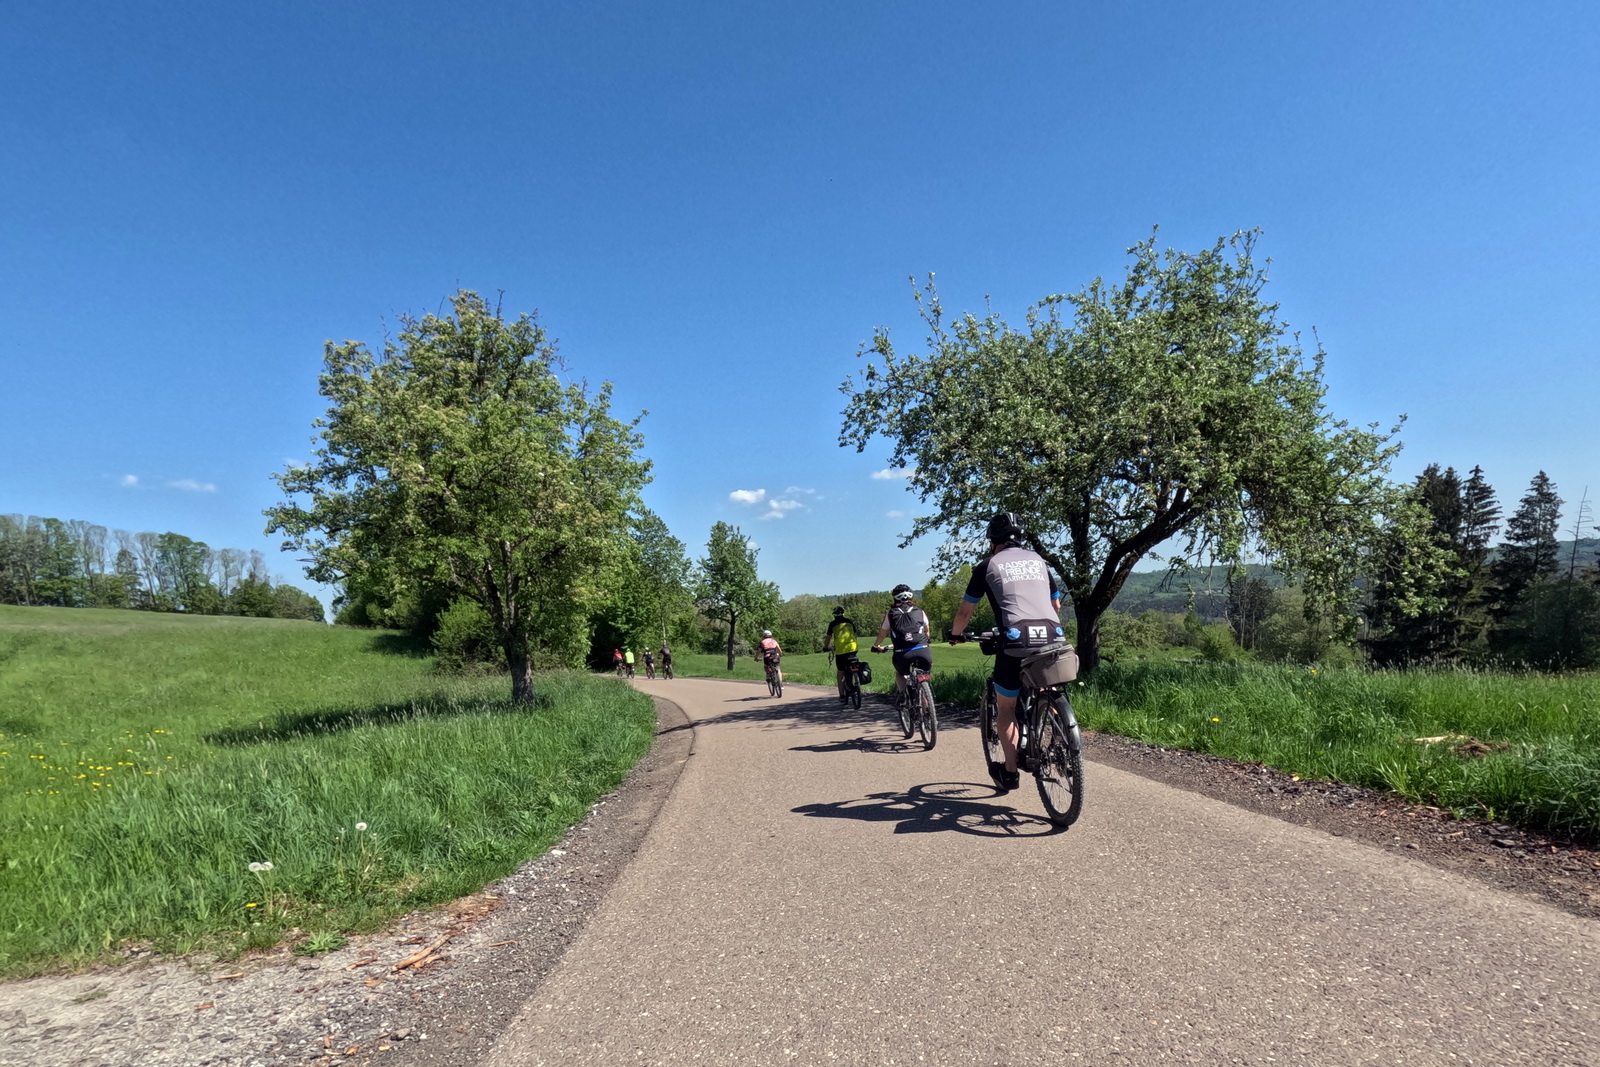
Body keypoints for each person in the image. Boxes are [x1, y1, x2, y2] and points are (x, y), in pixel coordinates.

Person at [948, 512, 1065, 792]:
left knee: (1006, 707)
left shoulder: (987, 566)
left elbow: (966, 610)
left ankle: (1011, 772)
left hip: (1015, 641)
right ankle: (1061, 739)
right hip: (1053, 636)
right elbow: (1057, 605)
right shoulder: (1039, 562)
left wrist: (955, 635)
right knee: (1044, 688)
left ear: (992, 540)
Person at [872, 583, 932, 699]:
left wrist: (876, 645)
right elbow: (927, 632)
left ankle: (904, 698)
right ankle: (926, 705)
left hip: (902, 653)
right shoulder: (920, 611)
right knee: (924, 674)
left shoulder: (890, 614)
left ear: (895, 598)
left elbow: (882, 634)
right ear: (910, 597)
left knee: (900, 673)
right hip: (923, 651)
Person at [824, 605, 861, 703]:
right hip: (853, 648)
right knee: (852, 665)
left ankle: (842, 695)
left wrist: (825, 647)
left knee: (840, 672)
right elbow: (854, 634)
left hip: (841, 651)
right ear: (843, 613)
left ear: (834, 615)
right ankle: (855, 678)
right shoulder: (849, 622)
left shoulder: (833, 623)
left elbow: (828, 637)